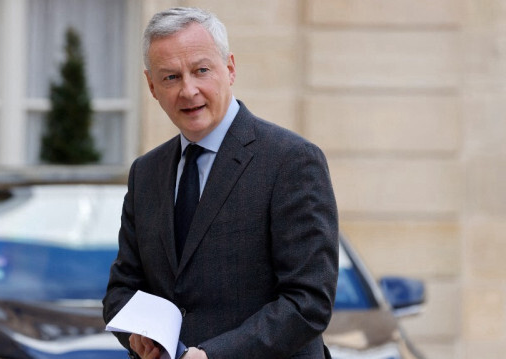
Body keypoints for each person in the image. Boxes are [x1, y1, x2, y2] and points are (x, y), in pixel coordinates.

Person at [103, 7, 338, 359]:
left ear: (229, 68)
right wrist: (137, 334)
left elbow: (309, 302)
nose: (188, 90)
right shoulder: (146, 173)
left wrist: (215, 355)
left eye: (201, 70)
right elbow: (123, 289)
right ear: (151, 86)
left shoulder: (291, 161)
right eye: (170, 77)